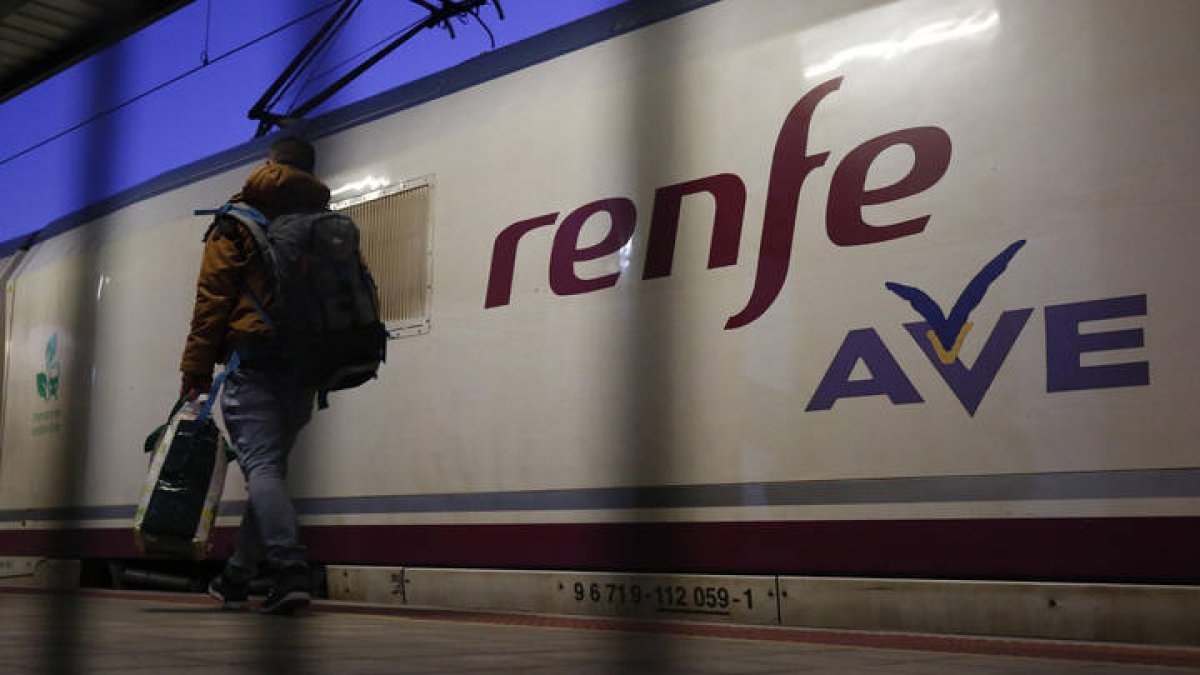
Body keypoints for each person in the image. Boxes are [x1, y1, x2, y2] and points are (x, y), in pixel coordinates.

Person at [180, 136, 329, 615]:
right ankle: (238, 576)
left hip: (254, 364)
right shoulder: (325, 222)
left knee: (262, 469)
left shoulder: (237, 219)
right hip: (305, 369)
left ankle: (289, 569)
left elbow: (212, 302)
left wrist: (195, 369)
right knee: (269, 471)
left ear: (269, 163)